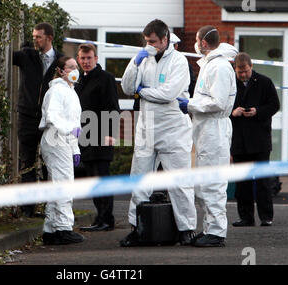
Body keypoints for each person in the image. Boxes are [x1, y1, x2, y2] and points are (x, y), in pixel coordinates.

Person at [120, 19, 197, 247]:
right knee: (139, 179)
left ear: (165, 39)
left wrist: (142, 92)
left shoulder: (179, 61)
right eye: (146, 41)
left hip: (173, 128)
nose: (149, 45)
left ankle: (186, 229)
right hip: (147, 127)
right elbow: (126, 88)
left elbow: (168, 93)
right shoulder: (144, 58)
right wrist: (134, 64)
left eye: (153, 41)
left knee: (180, 181)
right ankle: (137, 228)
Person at [177, 25, 238, 247]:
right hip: (206, 130)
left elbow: (219, 102)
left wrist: (190, 104)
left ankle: (217, 232)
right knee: (204, 183)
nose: (195, 43)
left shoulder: (219, 67)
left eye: (196, 40)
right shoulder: (211, 65)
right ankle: (210, 228)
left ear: (203, 42)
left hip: (215, 129)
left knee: (213, 183)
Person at [13, 23, 63, 217]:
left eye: (39, 37)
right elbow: (4, 54)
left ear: (49, 37)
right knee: (26, 161)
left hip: (50, 119)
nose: (35, 40)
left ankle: (49, 206)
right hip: (27, 116)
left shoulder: (60, 61)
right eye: (33, 36)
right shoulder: (27, 56)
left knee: (49, 161)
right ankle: (28, 208)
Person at [230, 52, 280, 227]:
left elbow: (275, 105)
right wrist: (233, 112)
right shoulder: (230, 83)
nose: (243, 75)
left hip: (259, 140)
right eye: (239, 72)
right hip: (239, 141)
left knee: (262, 182)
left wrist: (257, 111)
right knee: (242, 182)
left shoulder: (265, 82)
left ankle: (266, 216)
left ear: (251, 67)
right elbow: (222, 106)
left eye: (245, 71)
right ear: (234, 69)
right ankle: (246, 217)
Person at [39, 56, 85, 245]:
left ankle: (51, 229)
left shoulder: (70, 91)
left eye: (77, 67)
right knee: (64, 185)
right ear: (60, 70)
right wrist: (68, 131)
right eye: (71, 67)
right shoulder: (57, 91)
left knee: (57, 185)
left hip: (63, 142)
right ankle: (64, 228)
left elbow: (73, 122)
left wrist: (75, 148)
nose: (75, 70)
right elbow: (53, 116)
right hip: (56, 140)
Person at [75, 44, 120, 232]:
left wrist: (111, 134)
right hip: (85, 136)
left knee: (102, 178)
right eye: (82, 58)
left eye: (89, 58)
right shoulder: (79, 81)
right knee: (92, 178)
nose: (86, 62)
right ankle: (99, 217)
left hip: (101, 135)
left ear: (96, 58)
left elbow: (113, 108)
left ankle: (106, 219)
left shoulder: (106, 78)